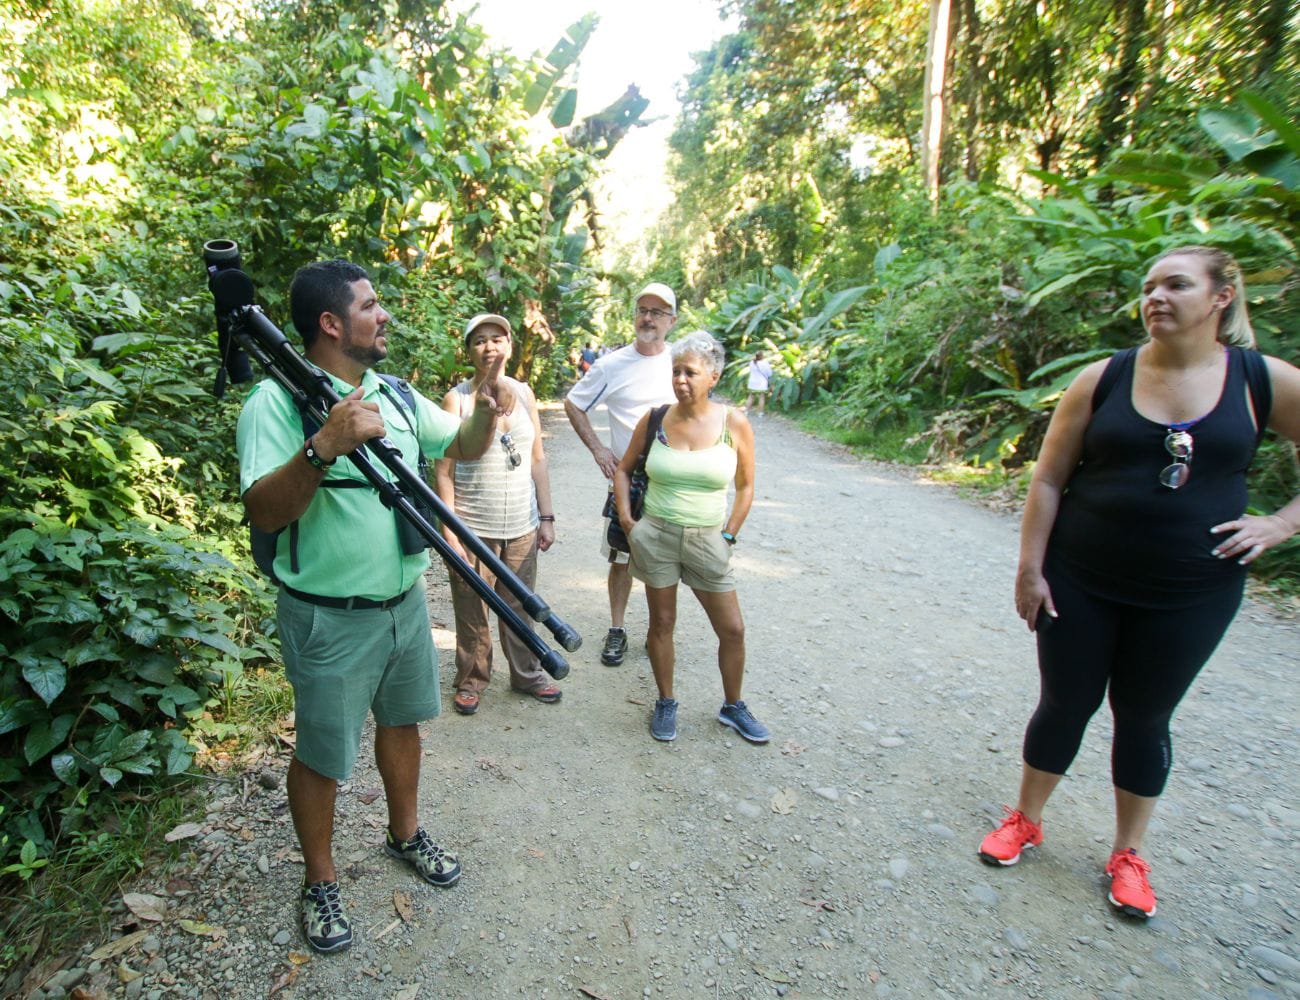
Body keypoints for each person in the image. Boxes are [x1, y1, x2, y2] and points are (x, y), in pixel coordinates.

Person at [977, 246, 1300, 919]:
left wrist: (1281, 524)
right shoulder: (1104, 378)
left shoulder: (1261, 381)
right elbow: (1048, 476)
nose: (1157, 297)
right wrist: (1030, 568)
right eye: (1149, 287)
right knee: (1065, 702)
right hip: (1080, 579)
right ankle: (1026, 819)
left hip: (1194, 592)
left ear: (1220, 297)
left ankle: (1128, 853)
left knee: (1146, 716)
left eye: (1177, 285)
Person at [237, 260, 513, 954]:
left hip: (403, 604)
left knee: (403, 725)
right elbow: (264, 510)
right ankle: (321, 879)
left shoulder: (392, 393)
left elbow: (462, 446)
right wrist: (324, 446)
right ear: (331, 324)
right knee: (324, 756)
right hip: (328, 616)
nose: (383, 315)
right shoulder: (273, 404)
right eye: (370, 305)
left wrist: (483, 408)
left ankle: (405, 833)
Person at [613, 331, 768, 744]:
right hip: (656, 535)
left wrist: (729, 536)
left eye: (691, 372)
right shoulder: (655, 418)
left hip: (707, 540)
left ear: (713, 376)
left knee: (732, 629)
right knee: (662, 623)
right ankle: (666, 701)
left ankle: (733, 705)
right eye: (676, 370)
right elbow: (624, 468)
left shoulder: (734, 422)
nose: (681, 379)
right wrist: (630, 522)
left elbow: (746, 485)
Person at [435, 314, 560, 715]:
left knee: (520, 604)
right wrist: (449, 528)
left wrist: (547, 516)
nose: (490, 347)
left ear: (509, 346)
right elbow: (444, 469)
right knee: (472, 608)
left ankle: (526, 674)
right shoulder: (458, 399)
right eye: (480, 341)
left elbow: (537, 457)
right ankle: (472, 678)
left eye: (497, 338)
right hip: (472, 526)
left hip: (521, 525)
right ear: (469, 351)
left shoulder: (525, 394)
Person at [565, 282, 678, 665]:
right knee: (621, 557)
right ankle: (617, 629)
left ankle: (659, 631)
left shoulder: (681, 363)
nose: (648, 318)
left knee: (668, 557)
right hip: (631, 477)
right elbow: (574, 403)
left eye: (658, 312)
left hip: (674, 477)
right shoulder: (612, 364)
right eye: (642, 310)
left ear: (672, 321)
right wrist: (599, 450)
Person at [745, 350, 774, 415]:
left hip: (752, 382)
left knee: (751, 396)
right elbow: (769, 373)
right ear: (762, 356)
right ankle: (760, 413)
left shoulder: (752, 362)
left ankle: (746, 411)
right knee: (762, 397)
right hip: (762, 383)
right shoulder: (765, 363)